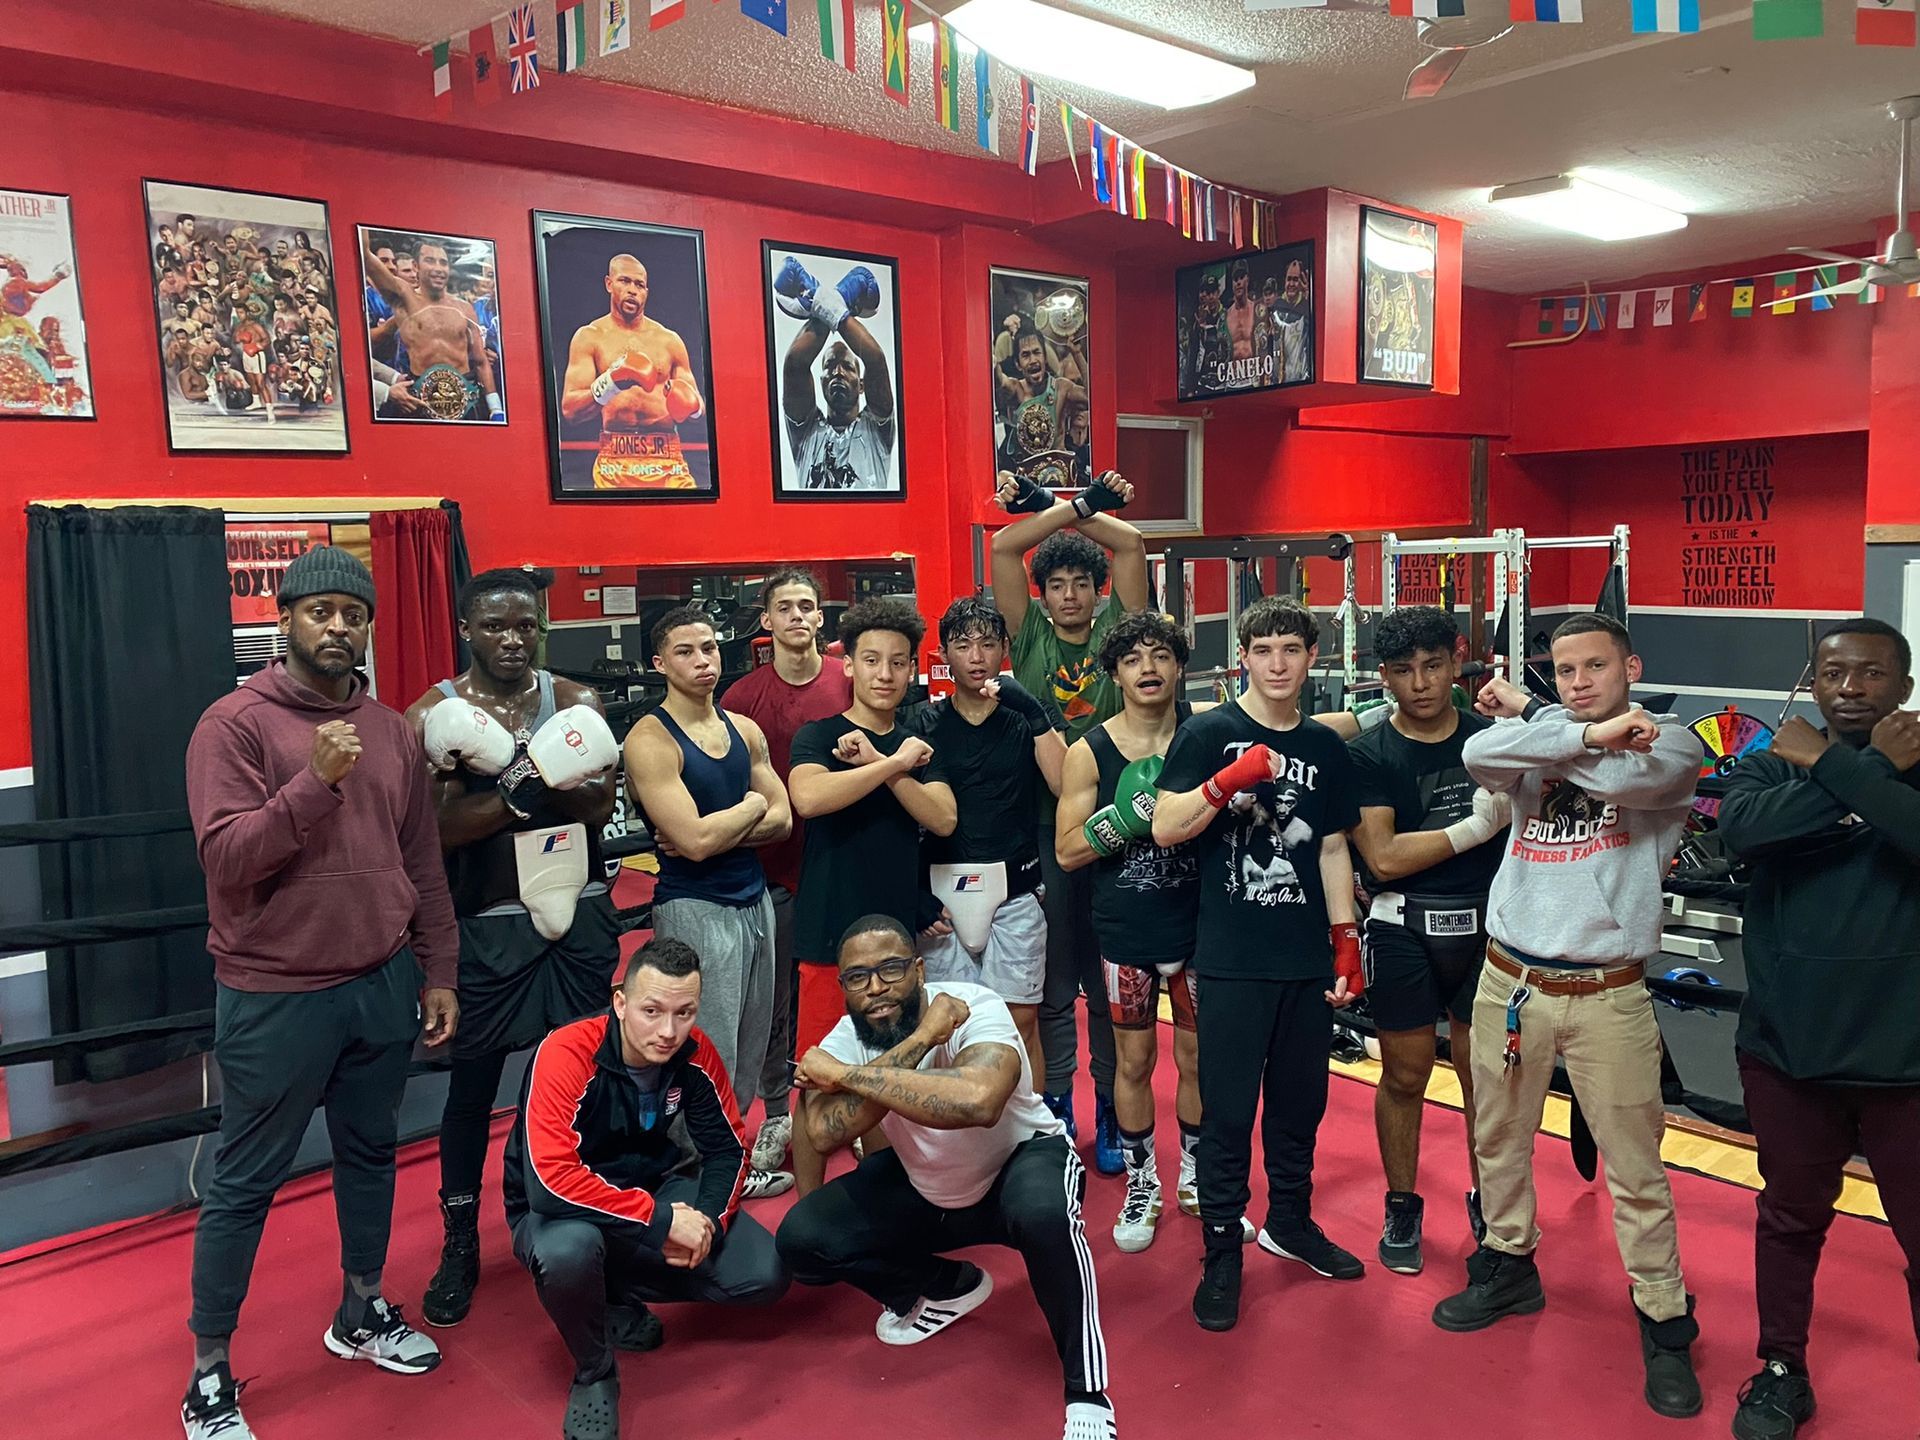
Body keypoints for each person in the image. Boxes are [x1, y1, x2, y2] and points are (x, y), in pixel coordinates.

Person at [180, 547, 458, 1440]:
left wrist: (439, 965)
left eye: (353, 611)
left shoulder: (389, 728)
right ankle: (210, 1371)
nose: (338, 626)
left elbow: (421, 859)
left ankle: (363, 1309)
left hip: (380, 981)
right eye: (319, 611)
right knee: (244, 1183)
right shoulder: (232, 725)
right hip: (276, 994)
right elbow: (227, 858)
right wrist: (313, 783)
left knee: (371, 1155)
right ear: (285, 621)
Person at [1436, 612, 1706, 1420]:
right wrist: (1570, 730)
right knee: (1498, 1140)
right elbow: (1476, 753)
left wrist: (1544, 729)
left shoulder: (1675, 744)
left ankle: (1665, 1319)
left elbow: (1628, 782)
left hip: (1606, 993)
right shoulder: (1556, 732)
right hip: (1510, 982)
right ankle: (1509, 1261)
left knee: (1636, 1169)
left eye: (1597, 666)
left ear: (1631, 666)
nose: (1582, 681)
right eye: (1566, 669)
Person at [776, 916, 1117, 1440]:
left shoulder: (974, 1005)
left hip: (1022, 1163)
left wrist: (844, 1076)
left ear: (918, 969)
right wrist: (919, 1039)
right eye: (858, 977)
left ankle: (1087, 1393)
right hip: (927, 1184)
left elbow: (977, 1102)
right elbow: (821, 1131)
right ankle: (945, 1287)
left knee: (1044, 1215)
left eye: (890, 969)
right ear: (843, 986)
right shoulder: (848, 1035)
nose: (876, 989)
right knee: (803, 1238)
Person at [401, 567, 622, 1330]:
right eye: (495, 625)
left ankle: (592, 1214)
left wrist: (517, 778)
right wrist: (525, 788)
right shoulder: (431, 713)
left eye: (525, 625)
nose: (512, 639)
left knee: (591, 1073)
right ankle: (461, 1239)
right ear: (467, 629)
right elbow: (435, 833)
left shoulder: (579, 700)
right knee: (471, 1089)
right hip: (487, 925)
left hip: (580, 915)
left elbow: (598, 806)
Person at [1716, 618, 1920, 1440]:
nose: (1849, 689)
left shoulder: (1816, 760)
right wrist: (1868, 770)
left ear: (1902, 690)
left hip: (1908, 1059)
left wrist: (1836, 765)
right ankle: (1779, 1369)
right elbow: (1747, 832)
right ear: (1812, 679)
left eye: (1870, 675)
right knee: (1790, 1219)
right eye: (1833, 673)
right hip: (1790, 1051)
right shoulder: (1767, 763)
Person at [1152, 597, 1365, 1331]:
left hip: (1304, 958)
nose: (1278, 664)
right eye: (1264, 649)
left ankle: (1292, 1222)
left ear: (1312, 658)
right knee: (1229, 1111)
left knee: (1302, 1104)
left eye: (1291, 650)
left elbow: (1333, 844)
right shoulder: (1209, 732)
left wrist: (1346, 934)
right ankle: (1222, 1250)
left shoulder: (1326, 748)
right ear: (1243, 655)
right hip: (1233, 958)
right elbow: (1163, 825)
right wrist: (1225, 782)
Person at [504, 937, 789, 1440]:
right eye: (651, 1010)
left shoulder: (695, 1054)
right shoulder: (567, 1052)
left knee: (763, 1276)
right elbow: (550, 1183)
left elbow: (728, 1151)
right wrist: (660, 1223)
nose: (668, 1031)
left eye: (684, 1013)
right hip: (557, 1211)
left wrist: (706, 1224)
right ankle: (594, 1371)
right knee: (569, 1249)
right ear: (620, 1002)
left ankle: (612, 1292)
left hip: (650, 1188)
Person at [1054, 611, 1253, 1254]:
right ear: (1114, 672)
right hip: (1128, 930)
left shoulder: (1209, 735)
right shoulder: (1091, 750)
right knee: (1133, 1062)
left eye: (1161, 655)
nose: (1149, 668)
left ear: (1178, 666)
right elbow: (1064, 850)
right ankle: (1144, 1180)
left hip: (1204, 927)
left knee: (1198, 1059)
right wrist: (1123, 820)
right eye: (1134, 658)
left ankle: (1194, 1171)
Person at [1342, 607, 1510, 1275]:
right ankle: (1403, 1204)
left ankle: (1491, 1204)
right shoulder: (1370, 754)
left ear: (1456, 659)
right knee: (1406, 1074)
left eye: (1434, 665)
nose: (1420, 683)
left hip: (1488, 925)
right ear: (1384, 675)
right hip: (1403, 924)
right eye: (1404, 671)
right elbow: (1381, 857)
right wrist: (1475, 828)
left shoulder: (1495, 742)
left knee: (1485, 1081)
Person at [990, 470, 1149, 1174]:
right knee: (1054, 984)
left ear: (1097, 591)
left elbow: (1134, 545)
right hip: (1048, 826)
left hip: (1122, 817)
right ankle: (1057, 1103)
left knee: (1112, 977)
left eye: (1082, 584)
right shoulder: (1025, 638)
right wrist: (1069, 509)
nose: (1071, 596)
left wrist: (1053, 512)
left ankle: (1116, 1109)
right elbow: (1002, 550)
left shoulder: (1120, 633)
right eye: (1056, 585)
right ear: (1043, 596)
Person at [786, 599, 957, 1194]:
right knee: (818, 1080)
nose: (886, 674)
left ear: (912, 670)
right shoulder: (820, 735)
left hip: (893, 947)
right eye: (872, 660)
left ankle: (880, 1205)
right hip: (828, 936)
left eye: (899, 663)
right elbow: (809, 799)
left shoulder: (913, 744)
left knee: (889, 1076)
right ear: (849, 667)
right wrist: (892, 766)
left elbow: (941, 818)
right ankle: (811, 1216)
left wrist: (888, 761)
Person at [624, 606, 794, 1199]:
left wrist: (725, 825)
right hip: (694, 908)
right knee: (702, 1044)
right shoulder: (649, 739)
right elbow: (694, 843)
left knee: (750, 1040)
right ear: (659, 663)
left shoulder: (743, 730)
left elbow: (784, 819)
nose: (703, 662)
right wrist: (749, 807)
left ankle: (731, 1160)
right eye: (686, 652)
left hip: (754, 902)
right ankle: (691, 1171)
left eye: (709, 649)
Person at [718, 569, 853, 1188]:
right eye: (785, 608)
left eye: (808, 606)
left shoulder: (848, 684)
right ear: (766, 622)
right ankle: (778, 1113)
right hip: (770, 873)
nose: (799, 616)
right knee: (775, 1004)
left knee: (850, 993)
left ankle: (856, 1106)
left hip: (840, 863)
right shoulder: (741, 699)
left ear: (820, 618)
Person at [908, 597, 1067, 1080]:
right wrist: (911, 893)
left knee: (1020, 1022)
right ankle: (958, 1141)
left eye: (987, 644)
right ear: (944, 656)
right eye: (963, 645)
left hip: (1015, 888)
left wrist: (1037, 715)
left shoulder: (1026, 714)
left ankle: (1031, 1137)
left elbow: (1064, 785)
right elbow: (902, 812)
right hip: (941, 895)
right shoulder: (922, 722)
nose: (976, 656)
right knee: (948, 1026)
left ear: (1004, 651)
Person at [560, 254, 706, 490]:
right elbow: (570, 410)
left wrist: (691, 404)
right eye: (624, 281)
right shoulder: (590, 337)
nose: (632, 290)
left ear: (646, 291)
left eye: (639, 285)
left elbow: (698, 408)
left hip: (668, 462)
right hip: (614, 463)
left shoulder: (669, 340)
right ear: (609, 283)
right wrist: (612, 381)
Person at [773, 254, 894, 491]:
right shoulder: (806, 432)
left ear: (862, 385)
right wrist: (839, 300)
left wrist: (819, 301)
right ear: (820, 382)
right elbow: (795, 364)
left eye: (848, 367)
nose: (837, 372)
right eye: (829, 366)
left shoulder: (877, 428)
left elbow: (876, 361)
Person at [361, 233, 501, 421]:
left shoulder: (464, 308)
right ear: (416, 267)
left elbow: (480, 361)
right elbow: (366, 257)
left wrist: (496, 408)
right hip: (420, 402)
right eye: (430, 261)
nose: (438, 268)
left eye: (443, 263)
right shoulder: (403, 299)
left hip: (466, 402)